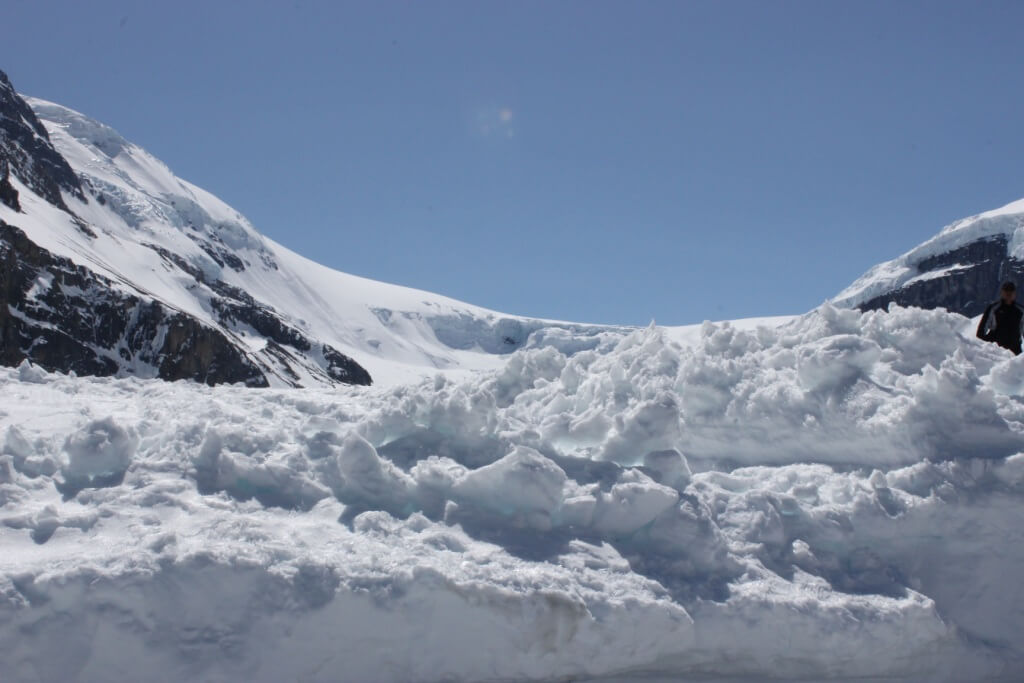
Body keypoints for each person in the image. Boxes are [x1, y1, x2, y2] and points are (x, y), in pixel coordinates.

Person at [976, 281, 1024, 355]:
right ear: (1002, 292)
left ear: (1015, 293)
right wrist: (985, 349)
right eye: (1006, 291)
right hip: (995, 352)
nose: (1009, 294)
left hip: (1015, 352)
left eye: (1011, 291)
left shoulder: (1021, 311)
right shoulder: (994, 309)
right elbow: (981, 331)